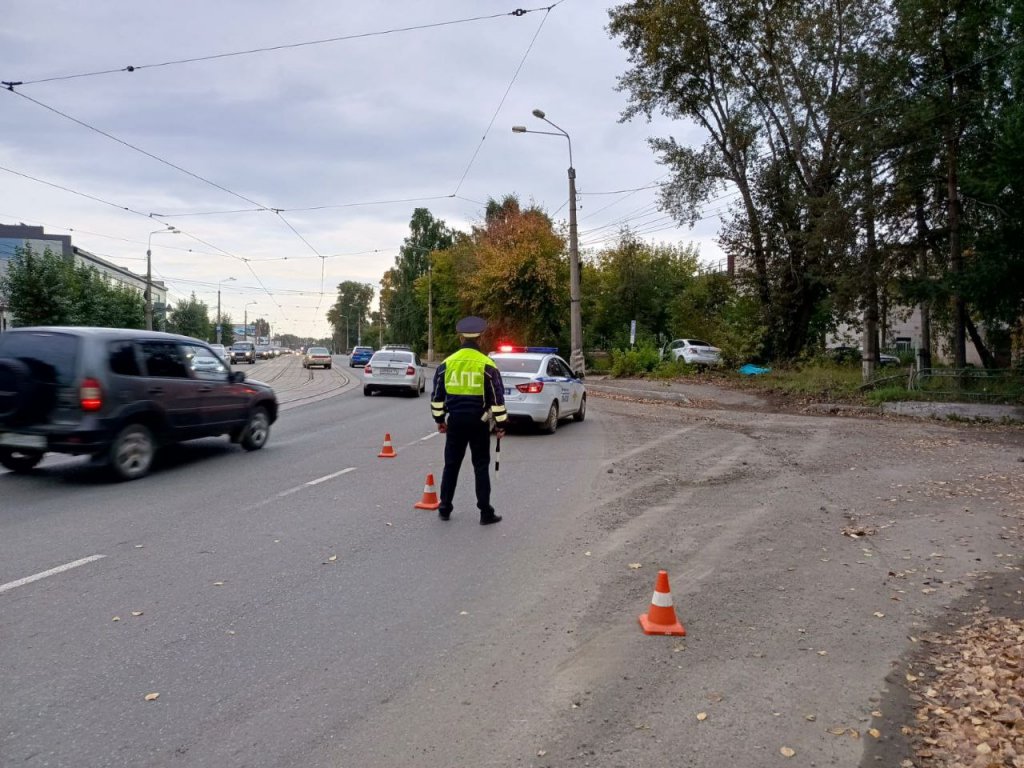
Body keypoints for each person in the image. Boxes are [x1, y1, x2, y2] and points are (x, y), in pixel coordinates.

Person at [430, 316, 508, 524]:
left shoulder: (446, 364)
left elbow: (437, 397)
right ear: (481, 338)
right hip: (479, 423)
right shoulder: (487, 365)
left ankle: (445, 507)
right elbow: (497, 400)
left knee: (451, 465)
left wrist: (440, 419)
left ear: (460, 338)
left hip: (455, 422)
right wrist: (501, 425)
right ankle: (485, 512)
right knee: (481, 466)